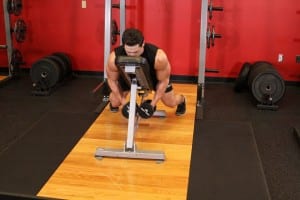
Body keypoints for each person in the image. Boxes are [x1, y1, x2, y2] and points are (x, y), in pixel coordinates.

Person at [106, 28, 186, 116]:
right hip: (127, 76)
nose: (132, 55)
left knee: (170, 102)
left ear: (143, 43)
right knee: (114, 102)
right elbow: (112, 80)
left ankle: (182, 100)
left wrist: (152, 105)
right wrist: (124, 103)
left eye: (135, 52)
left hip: (154, 77)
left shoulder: (159, 57)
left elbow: (163, 81)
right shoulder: (114, 58)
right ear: (124, 45)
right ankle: (115, 102)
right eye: (128, 52)